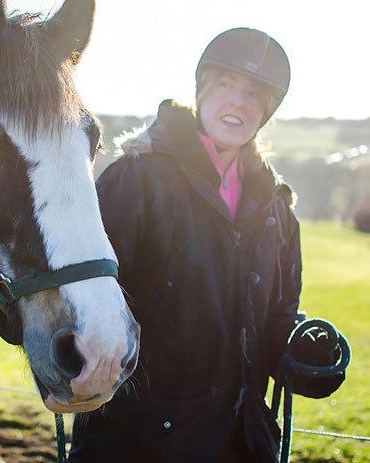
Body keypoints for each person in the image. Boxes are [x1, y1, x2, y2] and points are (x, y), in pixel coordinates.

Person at [68, 28, 348, 462]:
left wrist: (301, 354)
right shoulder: (135, 179)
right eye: (226, 85)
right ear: (200, 90)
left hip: (241, 441)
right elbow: (85, 304)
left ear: (266, 112)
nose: (238, 102)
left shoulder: (277, 209)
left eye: (254, 94)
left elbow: (276, 318)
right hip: (136, 440)